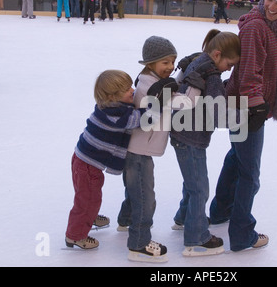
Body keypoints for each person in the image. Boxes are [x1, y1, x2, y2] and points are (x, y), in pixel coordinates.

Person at [209, 0, 277, 252]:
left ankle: (220, 211)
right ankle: (241, 234)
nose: (272, 7)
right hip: (245, 107)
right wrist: (256, 105)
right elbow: (250, 73)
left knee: (237, 160)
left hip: (252, 105)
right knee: (250, 173)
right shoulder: (256, 27)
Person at [117, 36, 201, 262]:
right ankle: (139, 244)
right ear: (150, 63)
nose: (170, 67)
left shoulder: (148, 80)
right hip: (139, 152)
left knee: (134, 190)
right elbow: (185, 101)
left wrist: (182, 72)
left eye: (173, 62)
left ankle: (125, 220)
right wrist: (196, 81)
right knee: (145, 198)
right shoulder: (151, 88)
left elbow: (169, 86)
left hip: (135, 149)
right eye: (165, 62)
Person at [170, 29, 241, 257]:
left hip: (183, 135)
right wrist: (245, 115)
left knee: (193, 183)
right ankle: (196, 238)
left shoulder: (198, 60)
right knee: (200, 188)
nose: (228, 69)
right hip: (191, 138)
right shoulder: (210, 75)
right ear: (218, 54)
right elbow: (219, 114)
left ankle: (184, 218)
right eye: (229, 64)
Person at [65, 70, 148, 249]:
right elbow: (139, 120)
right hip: (87, 165)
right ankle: (75, 236)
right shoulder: (114, 115)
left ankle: (89, 216)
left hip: (83, 160)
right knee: (87, 199)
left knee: (88, 197)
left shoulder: (109, 107)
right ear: (112, 96)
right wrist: (155, 108)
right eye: (127, 89)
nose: (132, 90)